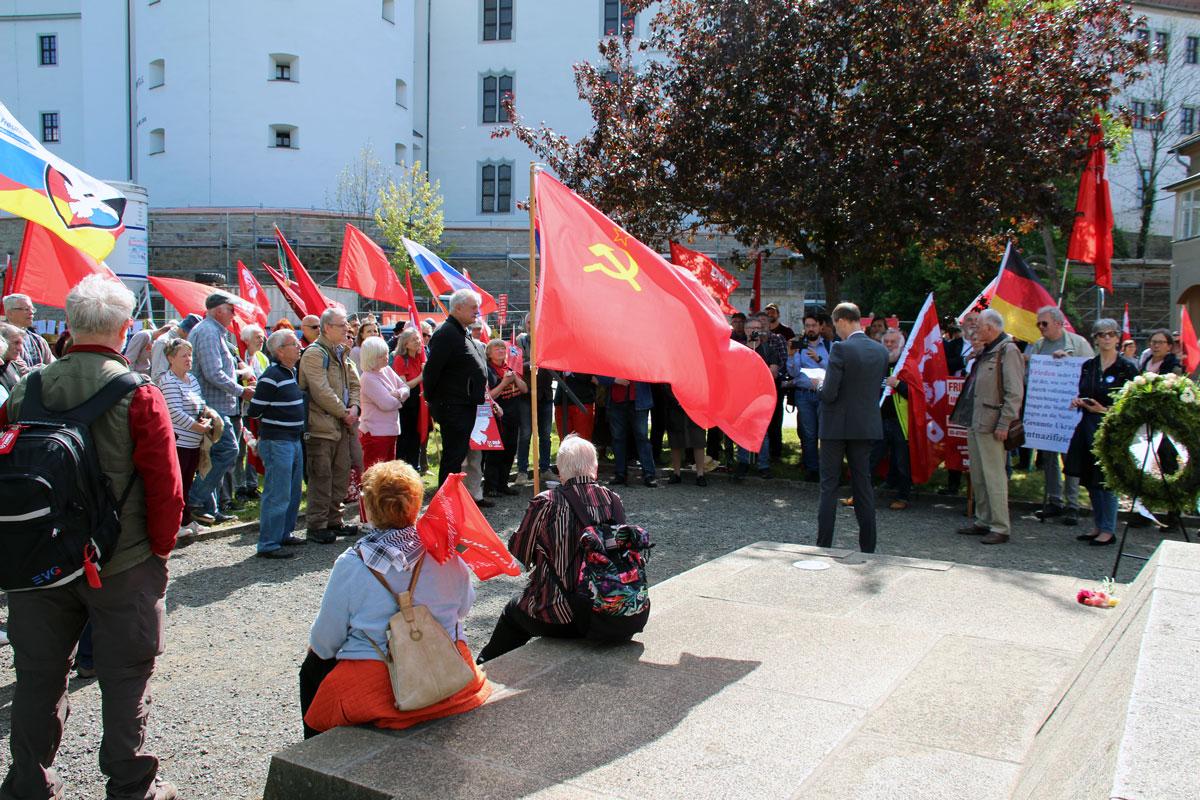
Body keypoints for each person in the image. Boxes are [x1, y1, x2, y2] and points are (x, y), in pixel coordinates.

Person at [0, 274, 183, 800]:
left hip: (36, 554)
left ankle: (28, 783)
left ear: (71, 325)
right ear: (125, 329)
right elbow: (165, 485)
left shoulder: (26, 386)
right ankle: (130, 784)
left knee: (38, 674)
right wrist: (160, 548)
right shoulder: (138, 393)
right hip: (120, 558)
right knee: (126, 673)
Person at [300, 459, 488, 738]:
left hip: (377, 685)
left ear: (369, 509)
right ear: (416, 503)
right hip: (450, 675)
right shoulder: (443, 552)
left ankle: (311, 754)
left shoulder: (352, 563)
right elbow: (464, 608)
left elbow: (326, 642)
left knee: (311, 668)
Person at [477, 434, 630, 663]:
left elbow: (521, 552)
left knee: (513, 612)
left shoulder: (546, 501)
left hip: (559, 615)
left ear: (560, 471)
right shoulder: (614, 500)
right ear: (594, 469)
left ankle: (484, 665)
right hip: (610, 611)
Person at [814, 302, 889, 553]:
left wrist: (818, 385)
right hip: (865, 425)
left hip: (836, 426)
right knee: (863, 485)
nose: (836, 331)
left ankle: (824, 544)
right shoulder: (880, 351)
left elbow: (830, 393)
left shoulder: (840, 349)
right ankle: (868, 546)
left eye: (836, 326)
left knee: (829, 486)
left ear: (843, 320)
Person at [951, 309, 1024, 545]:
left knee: (994, 476)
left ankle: (1001, 526)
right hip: (977, 420)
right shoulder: (988, 350)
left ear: (991, 328)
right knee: (979, 474)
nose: (975, 330)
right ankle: (983, 520)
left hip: (992, 423)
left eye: (979, 326)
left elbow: (1014, 392)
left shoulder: (1008, 350)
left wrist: (1005, 423)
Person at [1064, 318, 1139, 547]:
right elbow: (1084, 390)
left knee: (1107, 480)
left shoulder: (1127, 367)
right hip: (1088, 425)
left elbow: (1133, 404)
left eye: (1110, 334)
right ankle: (1098, 524)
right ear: (1095, 339)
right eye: (1101, 334)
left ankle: (1108, 529)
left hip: (1112, 428)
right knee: (1090, 477)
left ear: (1118, 338)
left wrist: (1104, 409)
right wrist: (1080, 401)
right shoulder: (1089, 365)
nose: (1106, 338)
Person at [187, 294, 253, 524]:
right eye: (230, 309)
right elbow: (212, 373)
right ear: (217, 311)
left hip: (221, 404)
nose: (234, 314)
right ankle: (194, 498)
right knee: (228, 451)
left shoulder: (215, 333)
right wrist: (240, 390)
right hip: (212, 406)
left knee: (214, 456)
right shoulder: (207, 332)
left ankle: (209, 509)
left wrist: (239, 376)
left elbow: (218, 370)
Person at [299, 307, 362, 544]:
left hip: (341, 425)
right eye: (342, 324)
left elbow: (355, 385)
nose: (347, 328)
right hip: (320, 427)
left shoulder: (342, 354)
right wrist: (344, 412)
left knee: (340, 475)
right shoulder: (315, 354)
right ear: (327, 327)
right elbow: (320, 389)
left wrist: (354, 408)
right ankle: (317, 524)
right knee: (321, 475)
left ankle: (335, 520)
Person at [1027, 305, 1093, 526]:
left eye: (1044, 323)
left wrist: (1068, 362)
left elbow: (1091, 371)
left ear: (1058, 323)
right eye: (1038, 323)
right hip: (1046, 410)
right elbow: (1029, 375)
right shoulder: (1037, 346)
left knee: (1070, 458)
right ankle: (1054, 501)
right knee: (1048, 458)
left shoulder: (1078, 343)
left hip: (1069, 412)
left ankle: (1072, 504)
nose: (1040, 327)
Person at [247, 329, 308, 558]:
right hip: (277, 441)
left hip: (292, 439)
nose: (299, 346)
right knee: (277, 492)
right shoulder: (271, 375)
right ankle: (269, 543)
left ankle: (284, 533)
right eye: (294, 344)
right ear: (280, 350)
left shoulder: (289, 372)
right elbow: (255, 409)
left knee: (292, 491)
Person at [423, 289, 488, 488]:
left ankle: (451, 499)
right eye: (473, 308)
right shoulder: (446, 333)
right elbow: (432, 372)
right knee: (453, 457)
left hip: (464, 404)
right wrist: (436, 402)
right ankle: (445, 504)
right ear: (458, 308)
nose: (477, 312)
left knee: (458, 455)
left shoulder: (461, 331)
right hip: (453, 406)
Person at [157, 338, 214, 536]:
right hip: (179, 440)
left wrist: (206, 418)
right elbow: (173, 411)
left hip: (194, 440)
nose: (189, 359)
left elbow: (200, 403)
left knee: (188, 482)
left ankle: (186, 519)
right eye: (184, 355)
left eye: (190, 355)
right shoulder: (168, 380)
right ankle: (175, 524)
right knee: (177, 483)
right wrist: (195, 426)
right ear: (171, 358)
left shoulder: (193, 379)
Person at [735, 314, 787, 479]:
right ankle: (743, 462)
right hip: (743, 396)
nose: (755, 331)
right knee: (742, 430)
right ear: (746, 330)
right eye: (752, 328)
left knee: (762, 432)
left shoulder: (768, 350)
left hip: (762, 396)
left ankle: (763, 464)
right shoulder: (739, 349)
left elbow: (773, 373)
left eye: (758, 328)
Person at [870, 328, 912, 511]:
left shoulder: (907, 366)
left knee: (902, 461)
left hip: (900, 422)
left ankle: (903, 496)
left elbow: (916, 394)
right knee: (871, 458)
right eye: (885, 342)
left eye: (892, 343)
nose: (888, 346)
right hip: (878, 419)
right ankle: (861, 494)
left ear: (901, 345)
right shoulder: (878, 363)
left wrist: (898, 384)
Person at [785, 313, 828, 482]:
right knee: (809, 434)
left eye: (814, 325)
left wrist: (819, 359)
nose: (810, 329)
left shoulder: (830, 346)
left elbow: (835, 369)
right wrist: (791, 355)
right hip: (804, 395)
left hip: (824, 395)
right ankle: (812, 469)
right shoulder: (799, 346)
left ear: (820, 327)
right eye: (808, 325)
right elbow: (793, 372)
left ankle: (827, 469)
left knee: (825, 434)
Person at [359, 335, 409, 473]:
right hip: (375, 433)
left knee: (388, 473)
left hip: (390, 430)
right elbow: (386, 404)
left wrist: (397, 394)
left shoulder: (386, 369)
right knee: (375, 474)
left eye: (386, 353)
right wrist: (400, 396)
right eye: (381, 355)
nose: (386, 357)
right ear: (372, 357)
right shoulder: (367, 378)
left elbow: (406, 388)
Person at [484, 338, 527, 496]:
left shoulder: (510, 368)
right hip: (497, 418)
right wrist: (504, 383)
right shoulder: (488, 370)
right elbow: (488, 395)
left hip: (513, 417)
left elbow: (524, 389)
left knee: (510, 451)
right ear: (489, 353)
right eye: (497, 349)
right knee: (495, 454)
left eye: (503, 348)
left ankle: (503, 484)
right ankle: (490, 487)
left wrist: (514, 378)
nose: (502, 351)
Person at [515, 315, 553, 483]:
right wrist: (530, 363)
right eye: (529, 322)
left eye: (535, 321)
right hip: (526, 394)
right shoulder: (520, 340)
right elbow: (515, 364)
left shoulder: (548, 340)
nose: (532, 325)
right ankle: (522, 471)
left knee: (545, 434)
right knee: (525, 433)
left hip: (544, 393)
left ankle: (545, 468)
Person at [600, 377, 658, 487]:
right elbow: (598, 376)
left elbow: (652, 374)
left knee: (642, 437)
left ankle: (649, 474)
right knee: (618, 438)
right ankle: (620, 473)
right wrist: (614, 380)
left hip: (639, 401)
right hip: (616, 402)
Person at [236, 324, 269, 501]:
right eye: (257, 336)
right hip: (242, 410)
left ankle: (252, 484)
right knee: (240, 451)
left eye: (262, 336)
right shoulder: (239, 358)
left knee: (254, 449)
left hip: (258, 411)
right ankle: (239, 487)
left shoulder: (262, 358)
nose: (261, 339)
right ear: (246, 340)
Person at [391, 326, 426, 470]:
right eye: (414, 339)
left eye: (418, 338)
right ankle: (402, 466)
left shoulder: (419, 357)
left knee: (417, 434)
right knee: (406, 435)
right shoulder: (400, 359)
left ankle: (414, 465)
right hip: (407, 403)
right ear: (405, 343)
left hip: (420, 401)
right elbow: (405, 385)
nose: (418, 341)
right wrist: (421, 376)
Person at [664, 385, 708, 486]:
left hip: (696, 406)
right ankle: (676, 474)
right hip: (674, 406)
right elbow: (666, 383)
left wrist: (694, 399)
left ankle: (700, 475)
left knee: (698, 440)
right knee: (675, 441)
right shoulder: (673, 368)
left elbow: (702, 383)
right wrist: (677, 399)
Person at [2, 293, 55, 369]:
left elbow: (52, 368)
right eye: (26, 309)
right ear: (10, 313)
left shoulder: (38, 341)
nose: (31, 313)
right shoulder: (2, 340)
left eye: (32, 309)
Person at [150, 314, 201, 380]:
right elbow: (158, 376)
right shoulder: (163, 342)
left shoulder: (184, 342)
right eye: (193, 334)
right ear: (184, 331)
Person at [0, 321, 28, 395]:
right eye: (16, 343)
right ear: (2, 341)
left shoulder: (15, 365)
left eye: (21, 344)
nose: (20, 349)